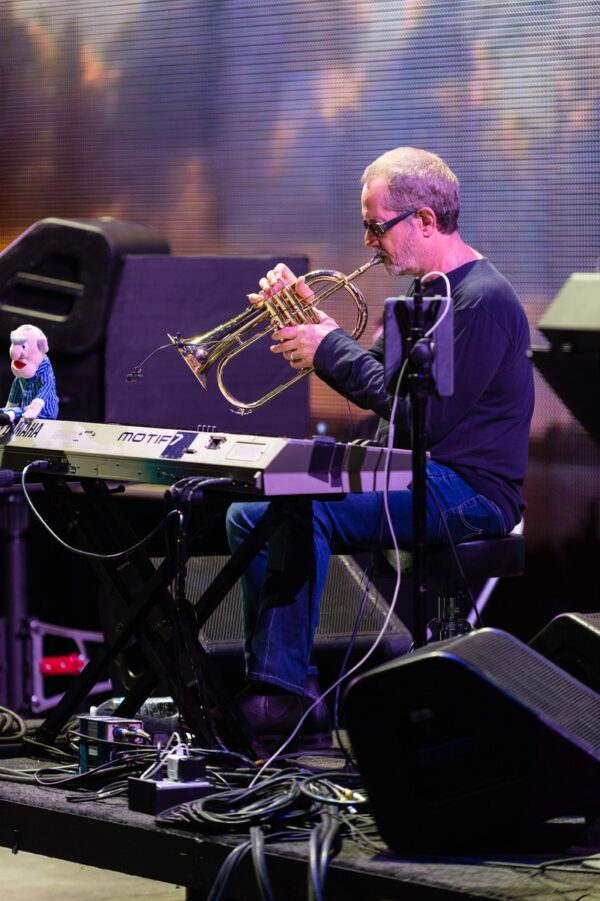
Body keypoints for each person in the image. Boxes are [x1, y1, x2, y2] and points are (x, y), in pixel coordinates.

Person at [224, 147, 534, 750]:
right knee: (249, 514)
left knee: (302, 503)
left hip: (472, 490)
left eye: (375, 225)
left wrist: (328, 345)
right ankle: (291, 682)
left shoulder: (481, 300)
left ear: (422, 219)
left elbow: (423, 419)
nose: (368, 241)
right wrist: (312, 321)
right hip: (423, 472)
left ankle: (280, 697)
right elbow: (388, 388)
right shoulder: (425, 296)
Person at [0, 324, 59, 426]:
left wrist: (36, 405)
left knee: (15, 412)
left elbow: (46, 387)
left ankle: (9, 415)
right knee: (12, 410)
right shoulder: (21, 377)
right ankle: (7, 415)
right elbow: (15, 391)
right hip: (25, 412)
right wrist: (9, 406)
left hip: (44, 413)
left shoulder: (46, 374)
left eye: (23, 347)